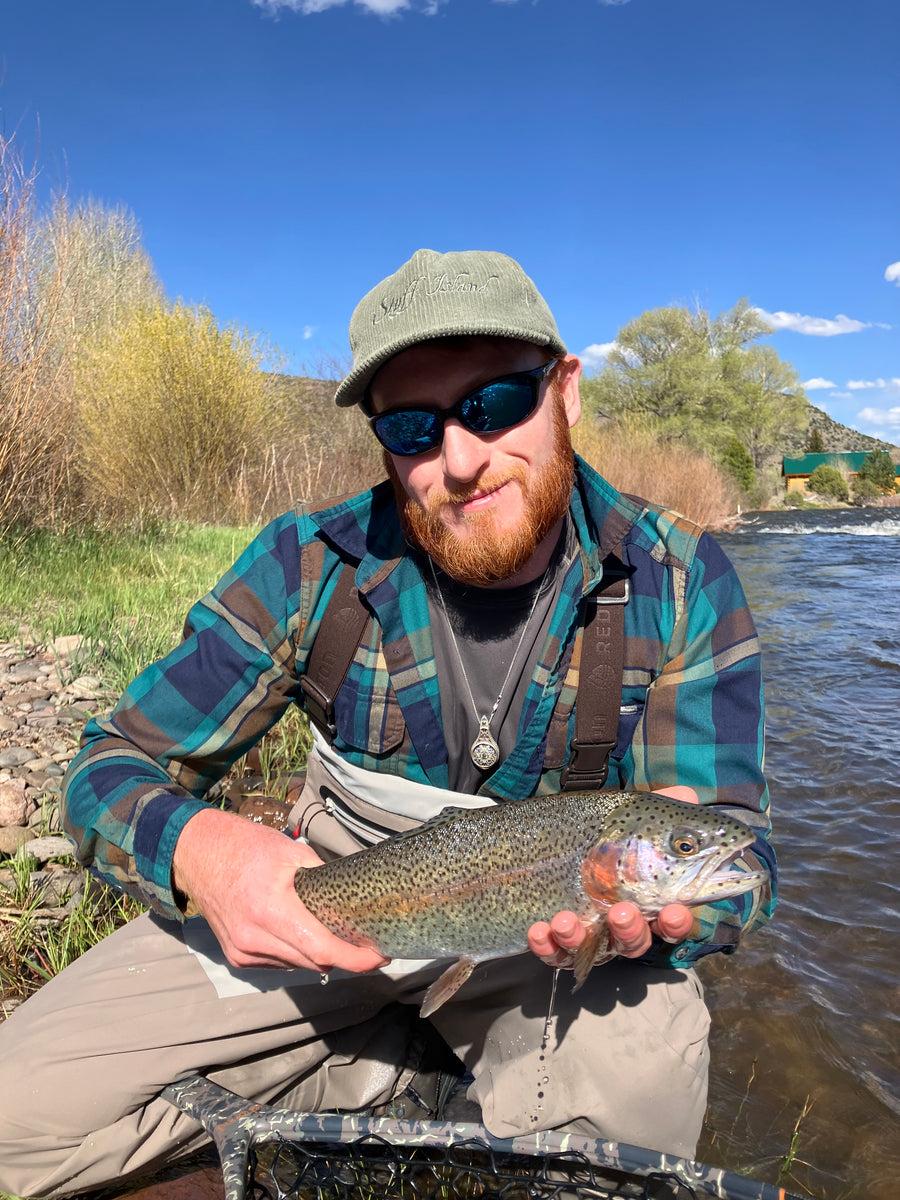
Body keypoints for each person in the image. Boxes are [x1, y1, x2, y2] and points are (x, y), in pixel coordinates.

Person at [0, 249, 776, 1198]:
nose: (459, 459)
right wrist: (204, 852)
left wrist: (662, 921)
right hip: (321, 913)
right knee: (14, 1122)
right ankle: (383, 1070)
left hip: (546, 954)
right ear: (383, 442)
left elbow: (742, 867)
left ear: (566, 391)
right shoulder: (308, 564)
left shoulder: (681, 578)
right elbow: (106, 767)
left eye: (495, 403)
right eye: (414, 427)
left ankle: (383, 1079)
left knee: (638, 1084)